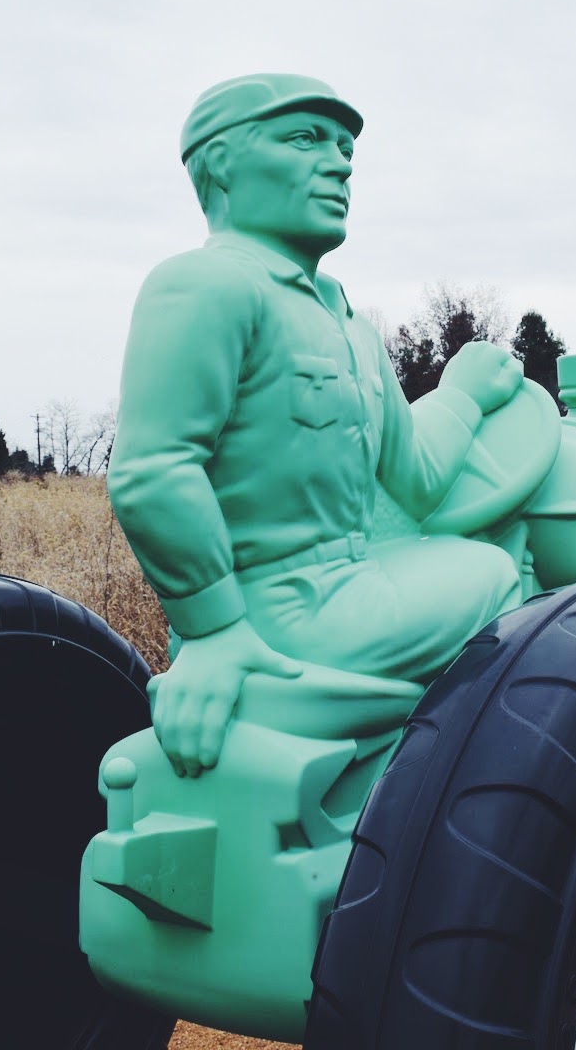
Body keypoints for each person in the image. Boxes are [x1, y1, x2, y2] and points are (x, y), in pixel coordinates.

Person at [108, 73, 524, 778]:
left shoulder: (348, 322)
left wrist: (463, 395)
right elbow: (153, 472)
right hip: (280, 611)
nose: (338, 164)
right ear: (220, 164)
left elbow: (418, 479)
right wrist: (213, 628)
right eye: (305, 140)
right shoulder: (207, 285)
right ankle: (480, 773)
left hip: (347, 583)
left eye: (344, 151)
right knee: (499, 572)